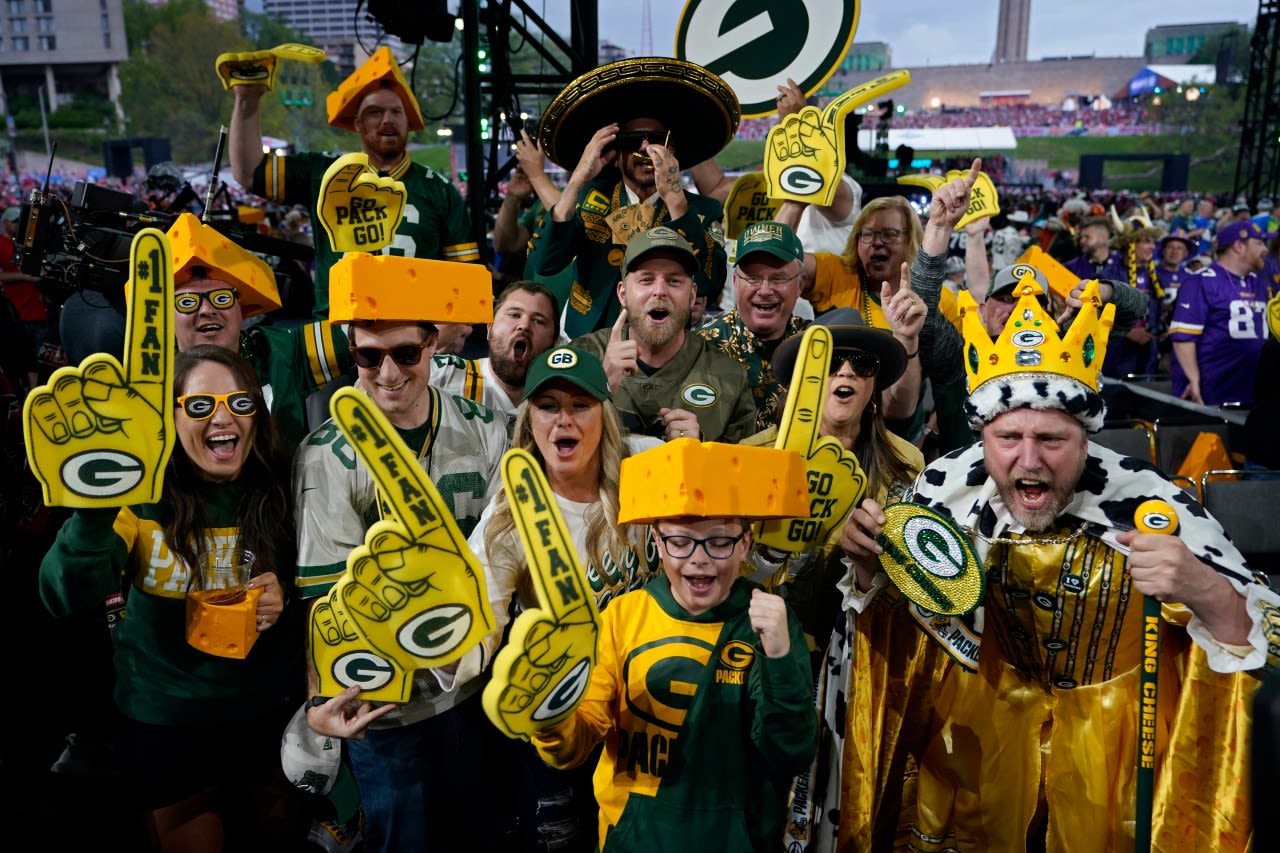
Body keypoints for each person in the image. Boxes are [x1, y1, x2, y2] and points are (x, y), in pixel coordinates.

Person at [832, 278, 1272, 850]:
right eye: (1008, 436)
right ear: (981, 434)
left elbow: (1265, 645)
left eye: (1052, 438)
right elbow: (894, 644)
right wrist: (867, 568)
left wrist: (1203, 587)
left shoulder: (1148, 500)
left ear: (1087, 438)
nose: (1029, 460)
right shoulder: (945, 491)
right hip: (981, 749)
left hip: (1119, 760)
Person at [39, 345, 308, 851]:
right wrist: (92, 511)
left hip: (270, 715)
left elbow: (326, 589)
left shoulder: (287, 480)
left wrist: (287, 596)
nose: (223, 417)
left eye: (239, 403)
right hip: (167, 722)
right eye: (201, 406)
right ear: (171, 418)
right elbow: (63, 594)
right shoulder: (139, 496)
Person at [293, 254, 511, 853]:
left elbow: (505, 551)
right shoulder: (326, 455)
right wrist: (320, 697)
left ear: (433, 344)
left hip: (474, 690)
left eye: (406, 354)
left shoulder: (485, 426)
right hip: (388, 711)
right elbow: (322, 599)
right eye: (368, 356)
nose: (388, 372)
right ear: (351, 352)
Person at [529, 437, 818, 851]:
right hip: (633, 839)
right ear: (658, 543)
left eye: (719, 541)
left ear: (746, 544)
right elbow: (579, 739)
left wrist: (777, 656)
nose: (699, 559)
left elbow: (789, 755)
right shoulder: (622, 617)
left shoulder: (770, 623)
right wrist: (551, 720)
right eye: (681, 541)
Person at [466, 345, 660, 851]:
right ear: (529, 420)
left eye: (581, 404)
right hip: (563, 713)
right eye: (548, 404)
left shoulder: (647, 462)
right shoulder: (509, 515)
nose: (563, 418)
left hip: (648, 704)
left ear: (605, 413)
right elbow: (477, 627)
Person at [229, 45, 480, 321]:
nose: (388, 120)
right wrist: (247, 98)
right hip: (338, 328)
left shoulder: (439, 189)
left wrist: (454, 328)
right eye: (376, 112)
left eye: (397, 112)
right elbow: (250, 172)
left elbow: (465, 273)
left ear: (408, 122)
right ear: (358, 123)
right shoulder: (325, 171)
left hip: (414, 331)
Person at [526, 56, 735, 339]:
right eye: (632, 141)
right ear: (614, 154)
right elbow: (546, 262)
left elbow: (709, 282)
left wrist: (675, 201)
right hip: (588, 342)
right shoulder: (587, 199)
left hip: (663, 347)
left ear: (672, 149)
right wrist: (577, 180)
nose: (644, 149)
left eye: (657, 139)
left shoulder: (703, 210)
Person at [166, 213, 352, 449]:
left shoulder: (280, 352)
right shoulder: (150, 375)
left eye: (221, 298)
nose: (206, 310)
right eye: (187, 302)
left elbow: (359, 330)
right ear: (165, 314)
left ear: (241, 309)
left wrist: (345, 236)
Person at [572, 226, 756, 443]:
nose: (659, 291)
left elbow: (743, 470)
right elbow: (548, 448)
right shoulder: (580, 358)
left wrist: (700, 453)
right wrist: (599, 389)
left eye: (674, 281)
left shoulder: (728, 378)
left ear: (692, 295)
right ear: (623, 294)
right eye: (646, 280)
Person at [1170, 219, 1276, 405]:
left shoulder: (1259, 284)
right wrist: (1193, 379)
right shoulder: (1201, 281)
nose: (1265, 250)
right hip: (1214, 389)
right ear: (1238, 246)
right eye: (1259, 243)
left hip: (1253, 389)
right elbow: (1184, 338)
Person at [429, 280, 561, 428]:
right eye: (514, 315)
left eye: (538, 321)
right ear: (490, 328)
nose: (524, 325)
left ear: (554, 341)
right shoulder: (441, 375)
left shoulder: (562, 405)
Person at [1102, 211, 1165, 378]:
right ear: (1130, 243)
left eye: (1153, 242)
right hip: (1116, 354)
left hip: (1147, 353)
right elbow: (1094, 312)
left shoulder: (1154, 275)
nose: (1152, 247)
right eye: (1146, 241)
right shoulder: (1109, 275)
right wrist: (1127, 332)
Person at [1063, 215, 1124, 281]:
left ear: (1103, 238)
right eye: (1082, 237)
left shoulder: (1122, 266)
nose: (1082, 241)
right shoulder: (1072, 267)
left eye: (1087, 237)